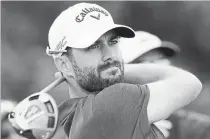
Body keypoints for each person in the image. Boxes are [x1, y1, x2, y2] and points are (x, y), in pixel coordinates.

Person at [46, 2, 202, 139]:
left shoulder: (59, 120)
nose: (110, 55)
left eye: (113, 42)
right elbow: (190, 83)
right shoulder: (112, 102)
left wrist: (106, 69)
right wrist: (120, 69)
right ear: (64, 64)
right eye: (93, 46)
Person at [119, 30, 210, 139]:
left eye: (161, 59)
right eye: (143, 62)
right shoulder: (105, 124)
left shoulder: (197, 128)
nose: (159, 67)